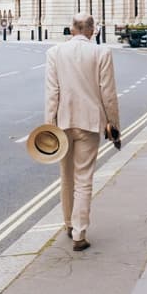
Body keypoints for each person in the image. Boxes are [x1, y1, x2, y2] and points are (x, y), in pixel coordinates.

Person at [43, 14, 121, 250]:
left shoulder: (54, 53)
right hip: (89, 123)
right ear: (92, 30)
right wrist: (114, 125)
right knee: (83, 179)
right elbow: (108, 93)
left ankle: (68, 223)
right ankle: (79, 233)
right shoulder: (102, 53)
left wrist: (49, 127)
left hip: (62, 123)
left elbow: (52, 93)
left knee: (66, 176)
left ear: (71, 29)